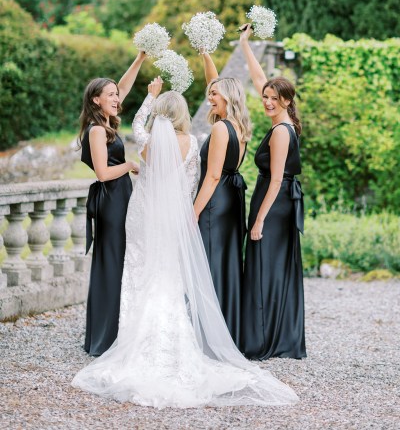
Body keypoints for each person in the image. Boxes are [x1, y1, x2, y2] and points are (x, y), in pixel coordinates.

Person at [72, 81, 299, 408]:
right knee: (169, 275)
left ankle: (132, 337)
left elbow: (138, 124)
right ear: (182, 116)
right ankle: (175, 340)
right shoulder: (194, 143)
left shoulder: (148, 144)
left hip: (144, 218)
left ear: (160, 116)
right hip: (176, 219)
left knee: (140, 273)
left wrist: (150, 96)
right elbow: (193, 183)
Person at [239, 24, 306, 359]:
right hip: (274, 201)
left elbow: (277, 179)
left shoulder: (281, 131)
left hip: (274, 205)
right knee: (272, 267)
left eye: (272, 98)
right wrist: (245, 45)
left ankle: (263, 339)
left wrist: (259, 220)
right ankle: (274, 333)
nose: (266, 102)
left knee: (265, 266)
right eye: (265, 97)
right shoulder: (285, 121)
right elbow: (258, 78)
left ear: (286, 101)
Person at [78, 51, 146, 356]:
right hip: (111, 199)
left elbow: (124, 86)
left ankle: (115, 332)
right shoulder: (95, 130)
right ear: (96, 100)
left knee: (120, 262)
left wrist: (141, 57)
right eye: (110, 95)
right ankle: (104, 337)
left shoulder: (108, 123)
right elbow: (104, 172)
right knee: (111, 263)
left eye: (117, 95)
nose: (117, 98)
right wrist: (130, 165)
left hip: (121, 197)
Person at [194, 54, 251, 347]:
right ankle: (226, 332)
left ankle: (206, 336)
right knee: (224, 261)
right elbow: (213, 82)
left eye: (213, 94)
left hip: (215, 202)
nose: (209, 98)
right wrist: (206, 55)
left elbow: (212, 176)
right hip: (232, 201)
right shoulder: (239, 127)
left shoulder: (219, 128)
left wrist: (193, 213)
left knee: (206, 262)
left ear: (227, 96)